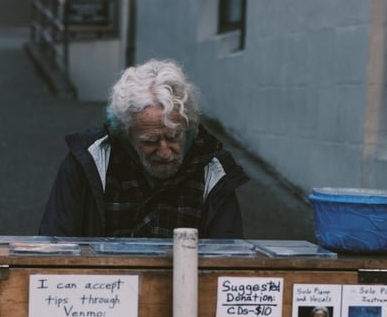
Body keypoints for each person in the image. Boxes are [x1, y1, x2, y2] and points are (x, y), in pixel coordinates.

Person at [39, 59, 248, 238]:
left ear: (188, 126)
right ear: (125, 133)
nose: (164, 152)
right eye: (150, 141)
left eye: (173, 137)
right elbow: (54, 246)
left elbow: (228, 259)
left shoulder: (213, 170)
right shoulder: (88, 161)